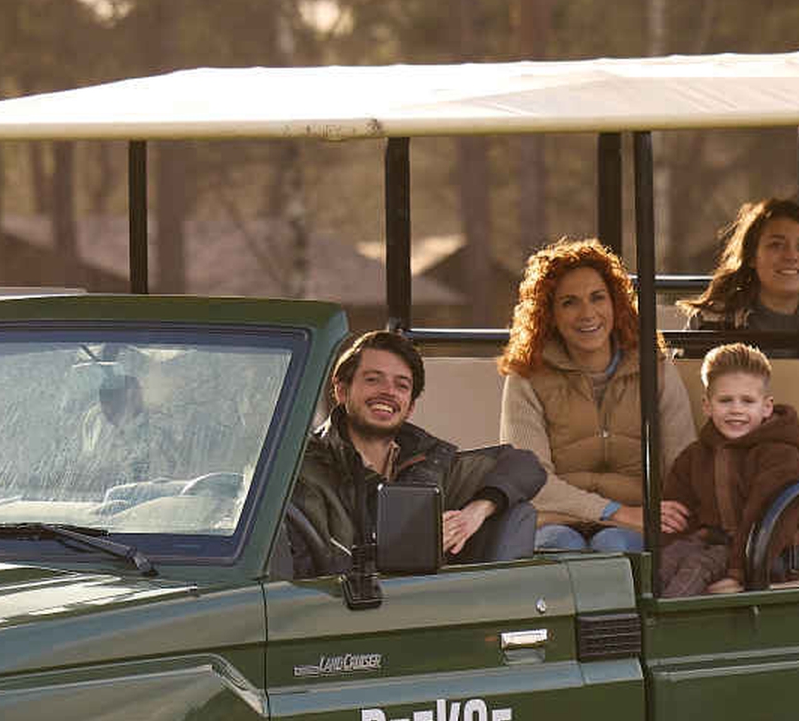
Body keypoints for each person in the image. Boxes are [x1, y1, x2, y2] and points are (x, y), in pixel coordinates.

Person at [281, 330, 546, 579]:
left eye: (402, 385)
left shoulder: (431, 459)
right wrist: (415, 543)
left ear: (409, 407)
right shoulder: (299, 467)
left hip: (425, 608)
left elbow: (525, 466)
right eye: (373, 379)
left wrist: (474, 513)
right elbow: (320, 569)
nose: (388, 391)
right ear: (341, 390)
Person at [498, 239, 694, 555]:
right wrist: (614, 512)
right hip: (556, 520)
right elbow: (531, 480)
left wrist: (656, 516)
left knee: (613, 545)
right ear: (550, 314)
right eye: (569, 302)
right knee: (560, 546)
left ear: (615, 304)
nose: (587, 313)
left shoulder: (654, 368)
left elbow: (682, 465)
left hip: (635, 523)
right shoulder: (527, 376)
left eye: (597, 298)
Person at [653, 343, 799, 598]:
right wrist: (670, 544)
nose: (736, 409)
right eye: (725, 400)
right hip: (710, 541)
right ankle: (629, 628)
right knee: (659, 564)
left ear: (767, 407)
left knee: (696, 567)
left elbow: (766, 517)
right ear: (707, 405)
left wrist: (740, 570)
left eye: (747, 401)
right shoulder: (695, 455)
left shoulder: (780, 455)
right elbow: (678, 510)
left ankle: (663, 630)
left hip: (762, 555)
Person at [683, 195, 799, 343]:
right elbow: (684, 379)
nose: (791, 256)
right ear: (751, 256)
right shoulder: (709, 320)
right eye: (776, 245)